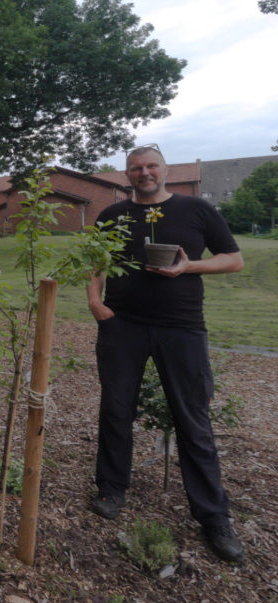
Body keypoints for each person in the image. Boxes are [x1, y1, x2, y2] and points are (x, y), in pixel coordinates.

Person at [86, 144, 245, 562]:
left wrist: (187, 266)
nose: (144, 173)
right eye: (136, 168)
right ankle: (112, 489)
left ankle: (214, 517)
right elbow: (96, 260)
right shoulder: (112, 216)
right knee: (116, 409)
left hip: (182, 327)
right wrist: (95, 301)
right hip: (122, 325)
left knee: (193, 417)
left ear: (165, 170)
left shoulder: (196, 210)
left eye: (151, 166)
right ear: (127, 173)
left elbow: (234, 260)